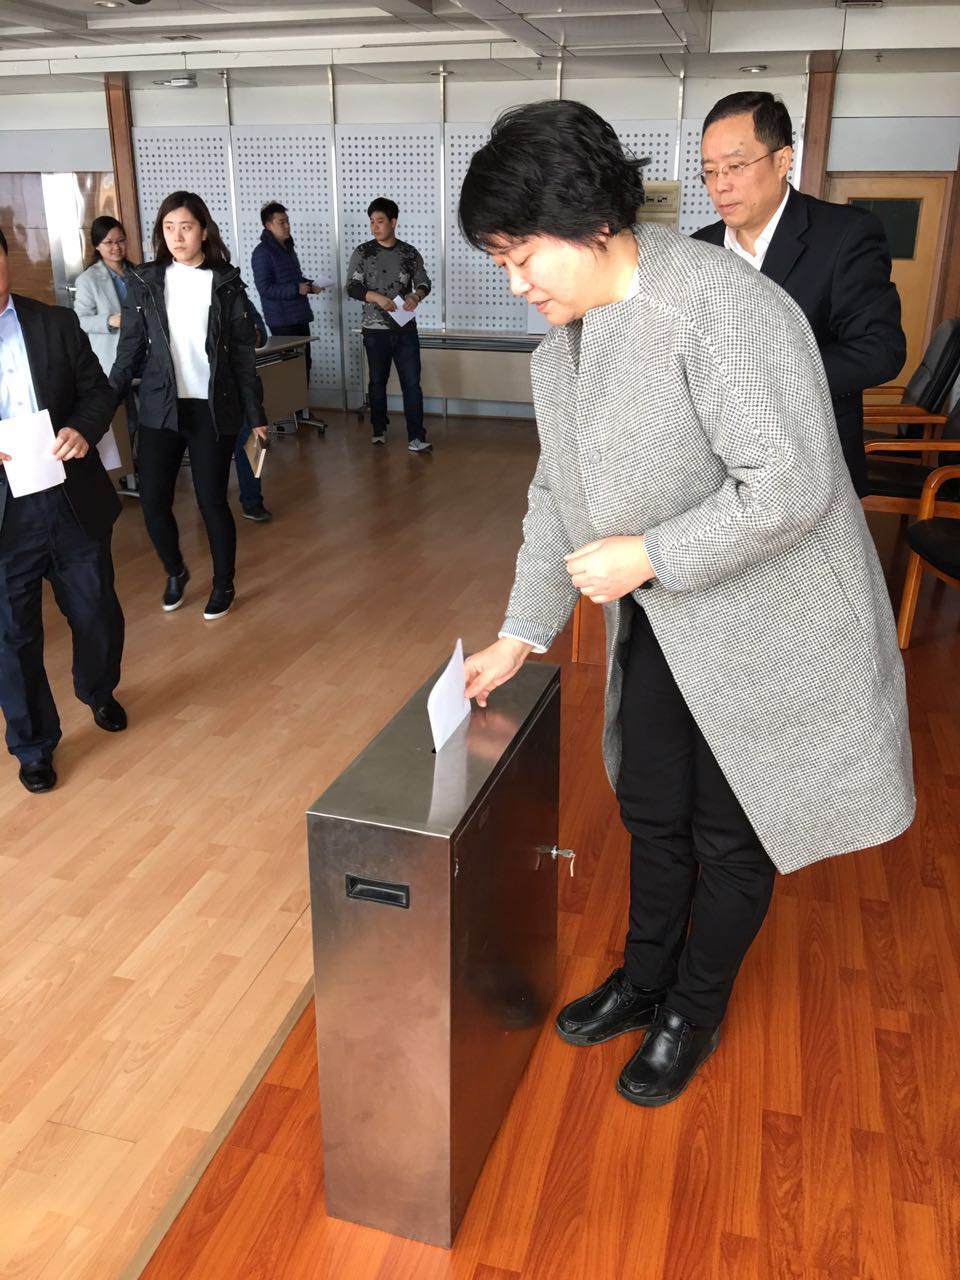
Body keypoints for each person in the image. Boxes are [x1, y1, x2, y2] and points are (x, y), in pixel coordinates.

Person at [458, 100, 915, 1107]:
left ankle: (691, 1010)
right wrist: (520, 631)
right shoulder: (561, 350)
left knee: (731, 832)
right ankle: (645, 975)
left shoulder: (719, 306)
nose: (516, 281)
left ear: (592, 219)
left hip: (769, 622)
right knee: (653, 807)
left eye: (524, 254)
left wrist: (650, 552)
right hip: (666, 618)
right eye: (501, 260)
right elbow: (555, 494)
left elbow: (793, 483)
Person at [692, 91, 905, 497]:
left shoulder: (844, 235)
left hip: (815, 459)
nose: (721, 185)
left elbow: (880, 350)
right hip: (717, 467)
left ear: (782, 160)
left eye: (736, 166)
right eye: (710, 171)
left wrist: (768, 377)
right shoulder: (699, 248)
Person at [0, 226, 126, 794]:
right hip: (7, 515)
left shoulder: (53, 323)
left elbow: (97, 392)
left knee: (96, 610)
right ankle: (33, 745)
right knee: (13, 635)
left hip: (69, 493)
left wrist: (81, 428)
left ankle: (98, 690)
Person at [110, 191, 267, 620]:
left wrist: (256, 416)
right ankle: (175, 570)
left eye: (186, 227)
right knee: (152, 500)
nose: (177, 237)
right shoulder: (145, 281)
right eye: (168, 228)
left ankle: (223, 583)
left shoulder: (225, 283)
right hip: (160, 407)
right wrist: (101, 407)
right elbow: (128, 353)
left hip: (212, 409)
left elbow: (242, 357)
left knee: (211, 501)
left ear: (203, 231)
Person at [346, 197, 433, 452]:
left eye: (380, 221)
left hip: (405, 329)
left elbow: (424, 281)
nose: (375, 227)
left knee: (412, 384)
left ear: (393, 222)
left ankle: (416, 436)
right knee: (377, 382)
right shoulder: (363, 252)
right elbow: (352, 287)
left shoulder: (409, 252)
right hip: (375, 330)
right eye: (372, 222)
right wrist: (376, 298)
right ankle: (378, 428)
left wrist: (416, 296)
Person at [74, 215, 139, 493]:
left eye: (121, 241)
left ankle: (141, 468)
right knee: (122, 421)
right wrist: (109, 320)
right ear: (97, 246)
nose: (116, 247)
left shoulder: (137, 273)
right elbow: (79, 320)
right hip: (112, 359)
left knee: (146, 418)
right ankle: (124, 472)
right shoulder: (89, 279)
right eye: (109, 242)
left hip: (143, 356)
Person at [251, 201, 325, 429]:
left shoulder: (288, 248)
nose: (287, 226)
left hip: (299, 314)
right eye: (281, 222)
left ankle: (301, 410)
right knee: (287, 368)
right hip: (281, 319)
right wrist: (296, 288)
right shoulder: (262, 253)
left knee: (304, 364)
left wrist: (309, 286)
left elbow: (295, 278)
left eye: (287, 221)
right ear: (268, 225)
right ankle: (288, 412)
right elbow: (265, 288)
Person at [232, 297, 272, 523]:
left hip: (242, 381)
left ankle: (253, 501)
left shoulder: (238, 296)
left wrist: (252, 334)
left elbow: (261, 336)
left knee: (251, 439)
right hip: (206, 386)